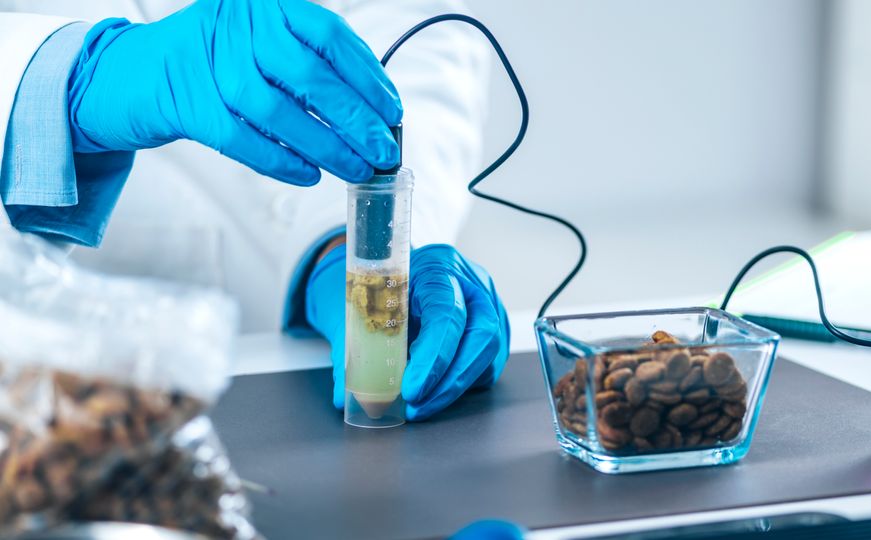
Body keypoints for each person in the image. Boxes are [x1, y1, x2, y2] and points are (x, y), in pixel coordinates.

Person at [0, 0, 510, 421]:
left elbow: (413, 29)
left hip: (291, 396)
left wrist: (341, 246)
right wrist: (61, 77)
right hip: (52, 400)